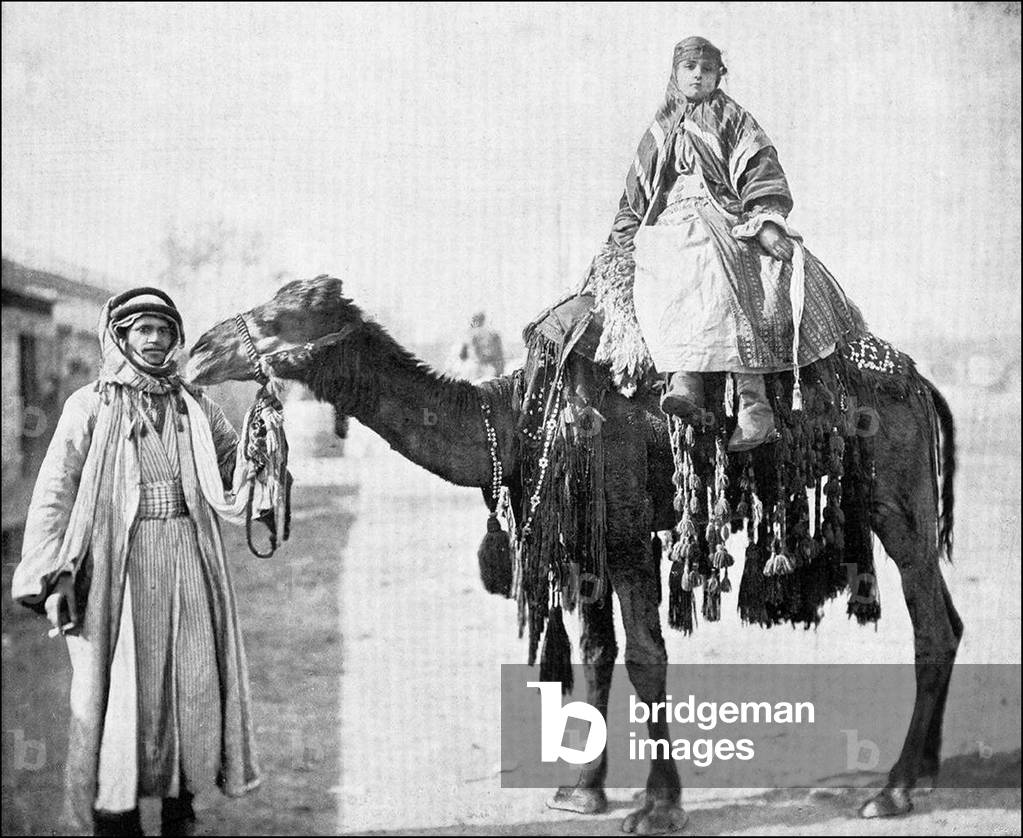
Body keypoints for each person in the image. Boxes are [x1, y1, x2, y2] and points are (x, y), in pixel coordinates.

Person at [11, 288, 260, 836]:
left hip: (189, 557)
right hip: (117, 568)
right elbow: (55, 490)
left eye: (163, 330)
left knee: (191, 677)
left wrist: (264, 438)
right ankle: (114, 813)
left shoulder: (195, 405)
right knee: (124, 689)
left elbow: (237, 467)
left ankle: (180, 801)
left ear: (175, 340)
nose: (154, 340)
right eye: (142, 330)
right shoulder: (90, 405)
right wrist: (49, 575)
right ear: (120, 337)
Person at [593, 36, 865, 450]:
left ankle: (753, 404)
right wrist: (624, 236)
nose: (697, 74)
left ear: (720, 74)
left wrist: (765, 221)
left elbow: (758, 167)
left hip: (724, 211)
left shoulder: (733, 118)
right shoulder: (660, 126)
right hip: (670, 219)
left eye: (706, 68)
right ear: (675, 73)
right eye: (689, 67)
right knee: (661, 266)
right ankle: (684, 379)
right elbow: (638, 189)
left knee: (725, 267)